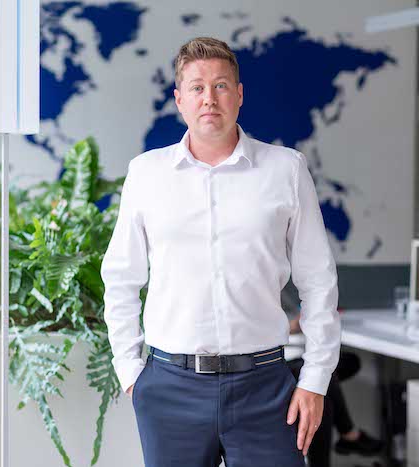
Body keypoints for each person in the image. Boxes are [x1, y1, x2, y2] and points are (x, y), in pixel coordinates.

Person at [101, 37, 341, 467]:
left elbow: (318, 280)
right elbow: (121, 278)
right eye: (196, 87)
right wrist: (131, 373)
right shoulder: (146, 174)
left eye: (221, 86)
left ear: (239, 94)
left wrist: (316, 379)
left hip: (266, 388)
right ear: (179, 99)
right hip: (169, 388)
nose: (209, 98)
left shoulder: (285, 169)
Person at [284, 310, 384, 467]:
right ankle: (349, 434)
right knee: (320, 384)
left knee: (348, 362)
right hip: (266, 369)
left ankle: (348, 435)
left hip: (287, 358)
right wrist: (288, 328)